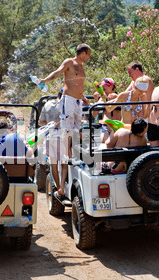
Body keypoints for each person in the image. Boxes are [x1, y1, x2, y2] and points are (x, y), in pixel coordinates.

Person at [39, 43, 91, 199]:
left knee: (77, 128)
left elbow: (78, 84)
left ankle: (71, 151)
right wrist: (45, 80)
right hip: (68, 100)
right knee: (67, 128)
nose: (89, 57)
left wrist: (82, 97)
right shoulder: (69, 62)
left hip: (78, 102)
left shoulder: (82, 67)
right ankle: (66, 150)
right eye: (88, 54)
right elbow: (57, 72)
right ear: (83, 52)